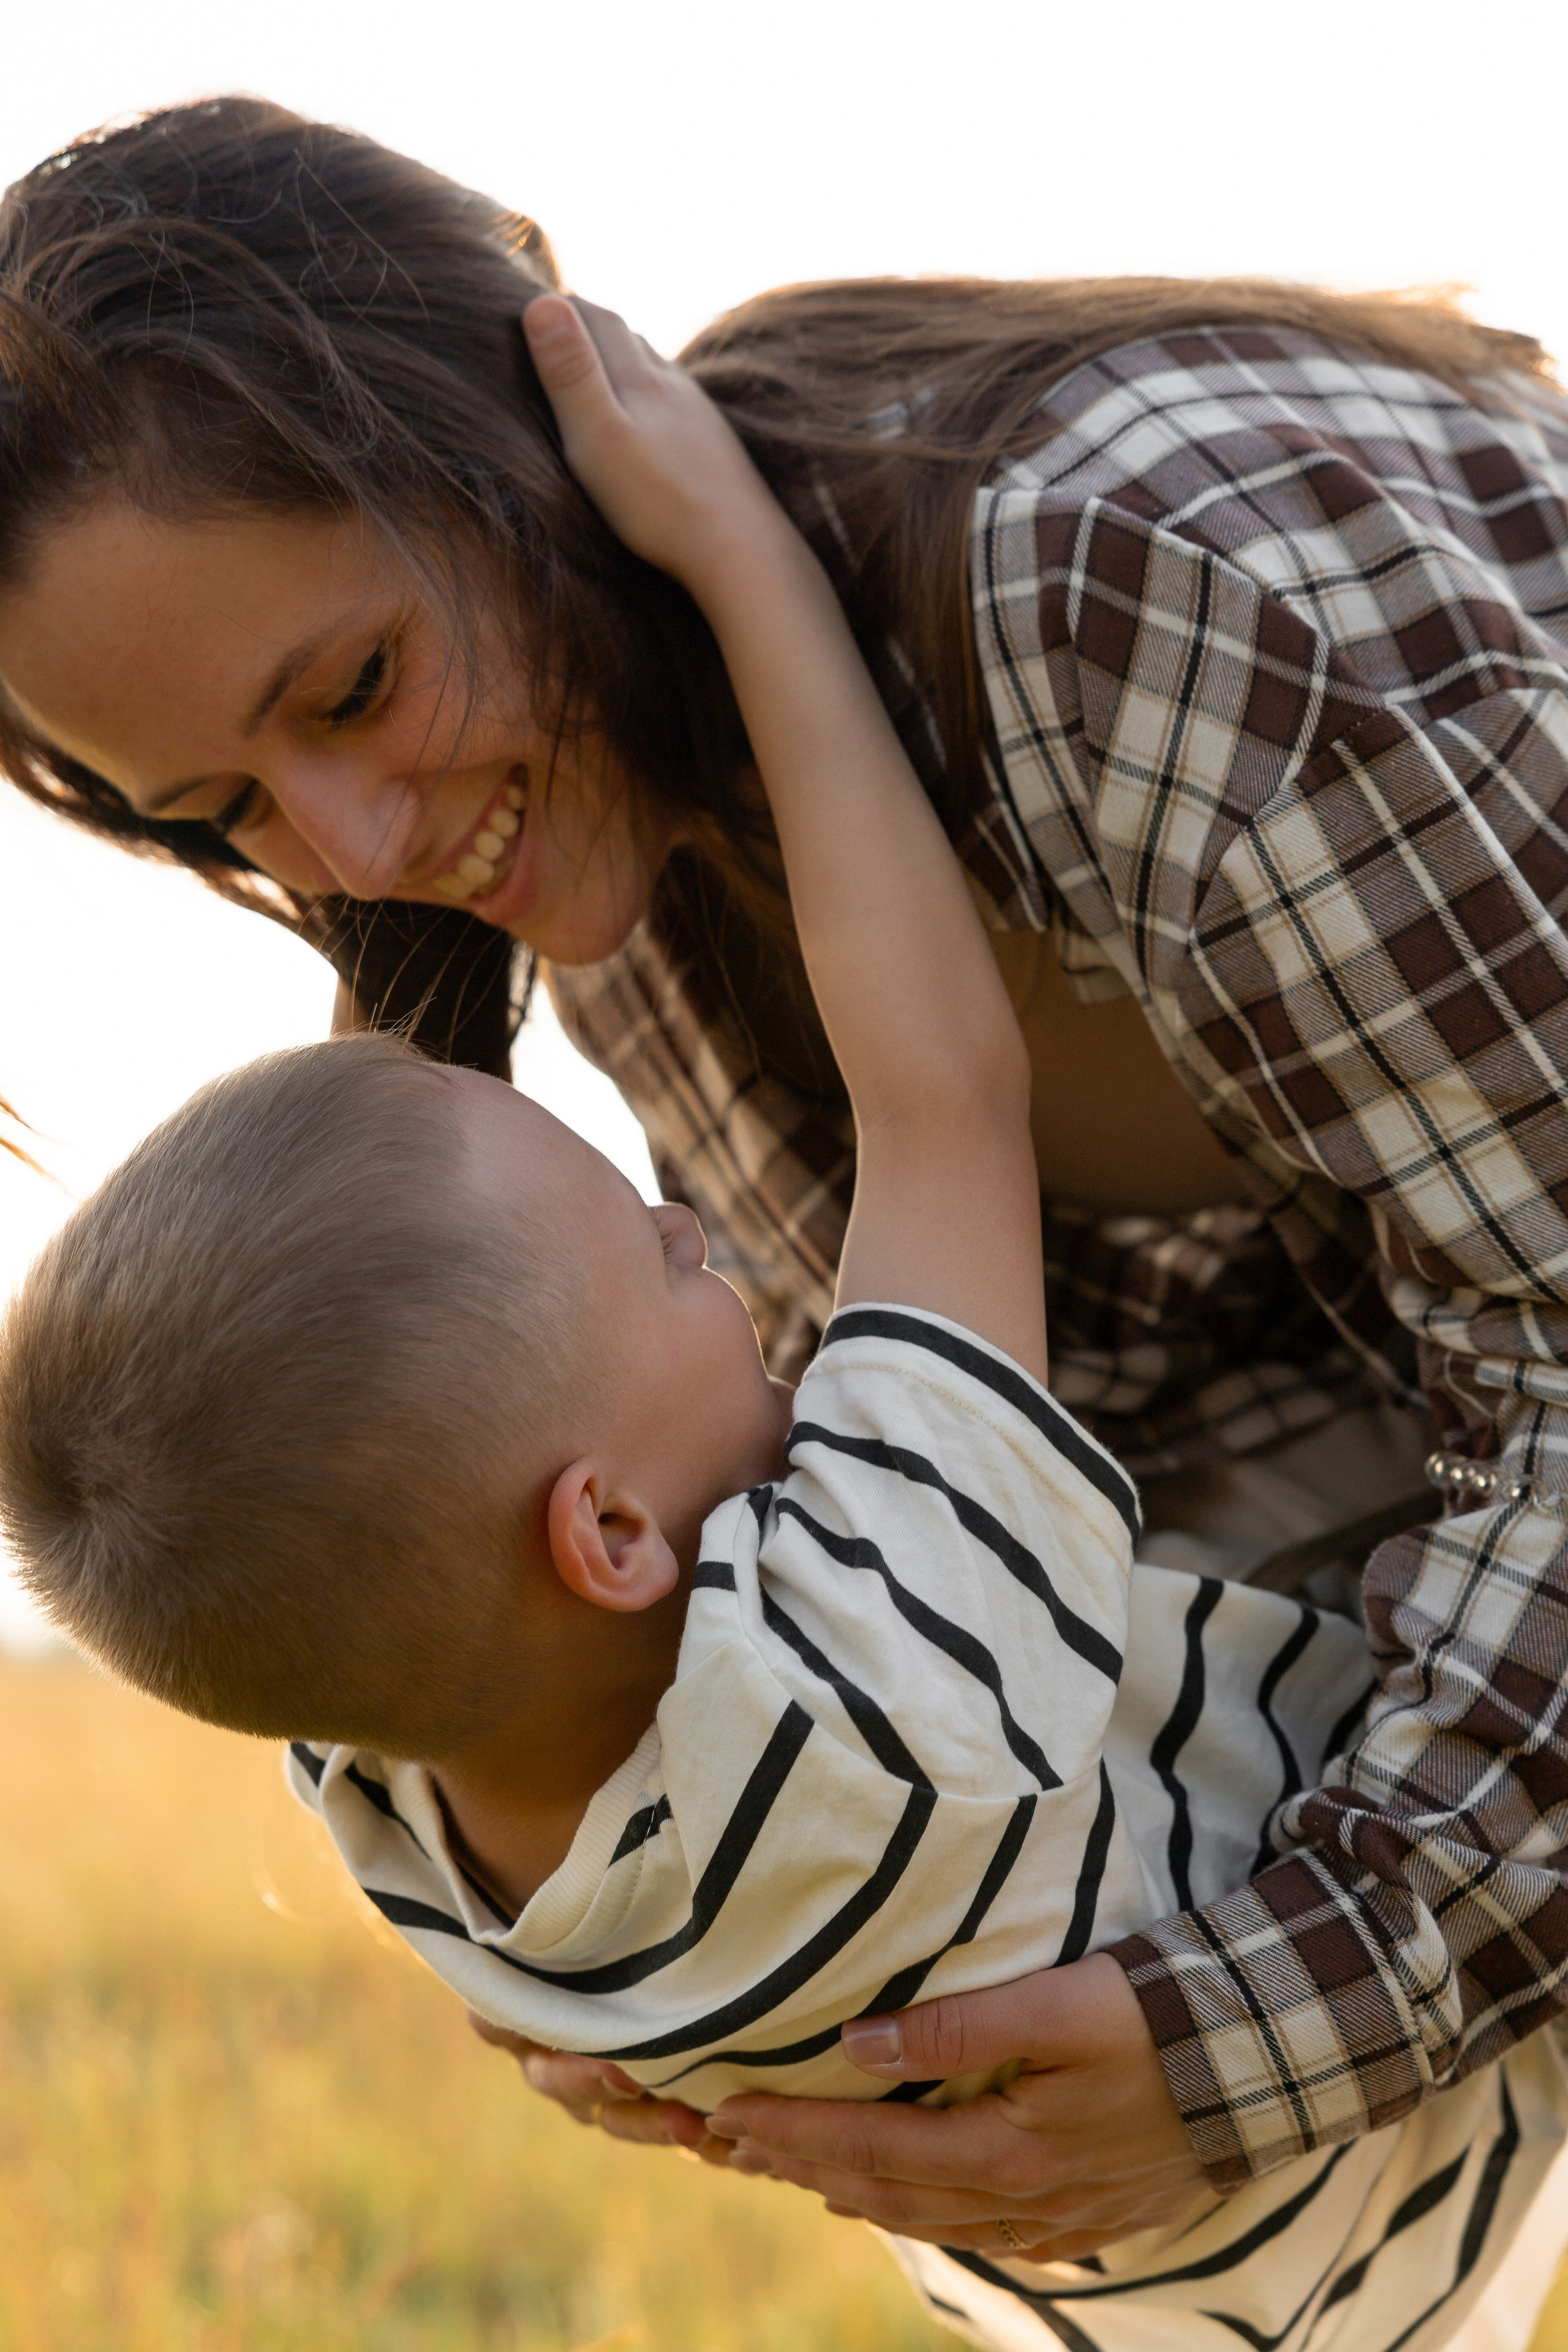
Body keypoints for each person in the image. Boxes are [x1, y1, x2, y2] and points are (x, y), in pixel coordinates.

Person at [3, 92, 1568, 2339]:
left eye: (349, 691)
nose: (346, 846)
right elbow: (980, 1241)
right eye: (229, 809)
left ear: (524, 410)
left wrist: (1272, 2018)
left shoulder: (1116, 577)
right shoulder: (620, 891)